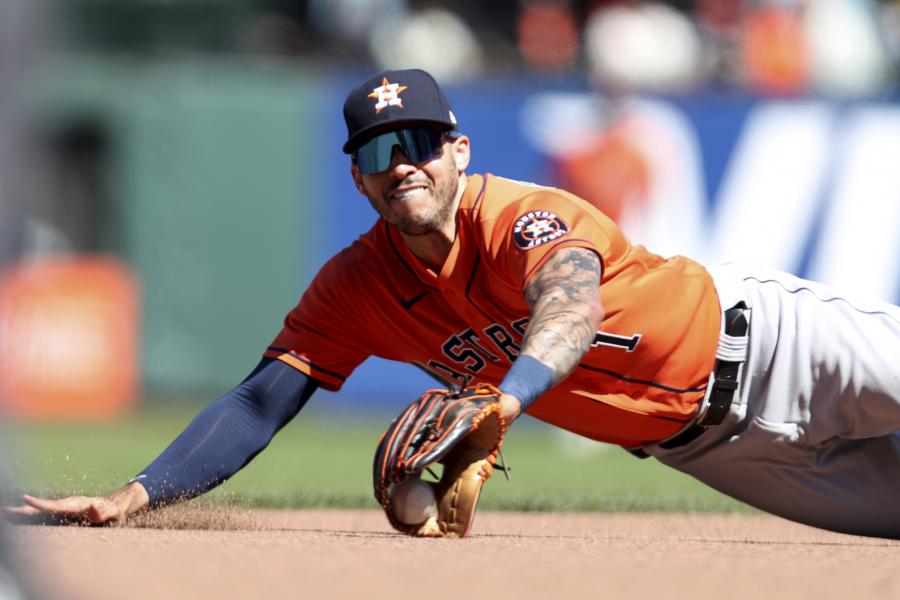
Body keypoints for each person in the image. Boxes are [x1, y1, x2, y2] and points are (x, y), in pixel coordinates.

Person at [7, 68, 900, 539]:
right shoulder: (354, 287)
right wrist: (137, 494)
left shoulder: (523, 214)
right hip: (719, 457)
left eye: (421, 142)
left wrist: (506, 399)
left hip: (785, 343)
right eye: (377, 150)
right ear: (357, 179)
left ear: (459, 151)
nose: (403, 162)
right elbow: (257, 400)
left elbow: (570, 305)